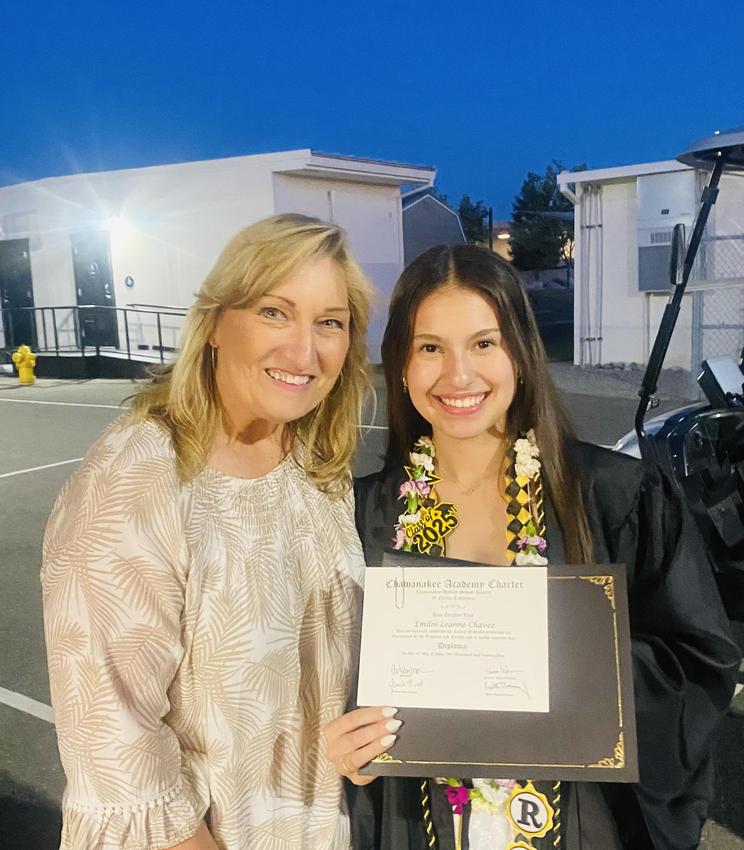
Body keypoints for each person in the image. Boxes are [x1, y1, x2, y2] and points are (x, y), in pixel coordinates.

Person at [324, 244, 740, 850]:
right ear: (402, 364)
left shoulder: (617, 496)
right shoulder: (360, 515)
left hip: (578, 825)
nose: (458, 375)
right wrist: (340, 746)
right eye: (430, 347)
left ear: (521, 352)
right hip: (415, 823)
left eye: (484, 344)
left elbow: (698, 663)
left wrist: (564, 669)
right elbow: (324, 679)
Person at [41, 214, 374, 850]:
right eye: (275, 312)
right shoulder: (138, 478)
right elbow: (115, 745)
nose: (305, 352)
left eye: (329, 321)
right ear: (216, 322)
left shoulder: (314, 464)